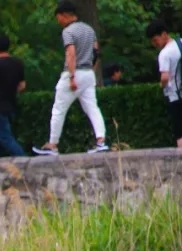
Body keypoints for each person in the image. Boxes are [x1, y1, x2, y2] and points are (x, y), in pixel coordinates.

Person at [33, 1, 109, 156]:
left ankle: (52, 144)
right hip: (88, 73)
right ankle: (101, 141)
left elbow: (71, 54)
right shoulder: (89, 30)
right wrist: (91, 71)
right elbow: (96, 52)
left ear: (64, 15)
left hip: (74, 72)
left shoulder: (68, 32)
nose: (58, 21)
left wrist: (72, 76)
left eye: (58, 18)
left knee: (59, 108)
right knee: (92, 108)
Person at [146, 20, 182, 148]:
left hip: (176, 95)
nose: (154, 43)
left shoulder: (164, 54)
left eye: (155, 40)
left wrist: (161, 86)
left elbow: (165, 77)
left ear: (164, 34)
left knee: (180, 131)